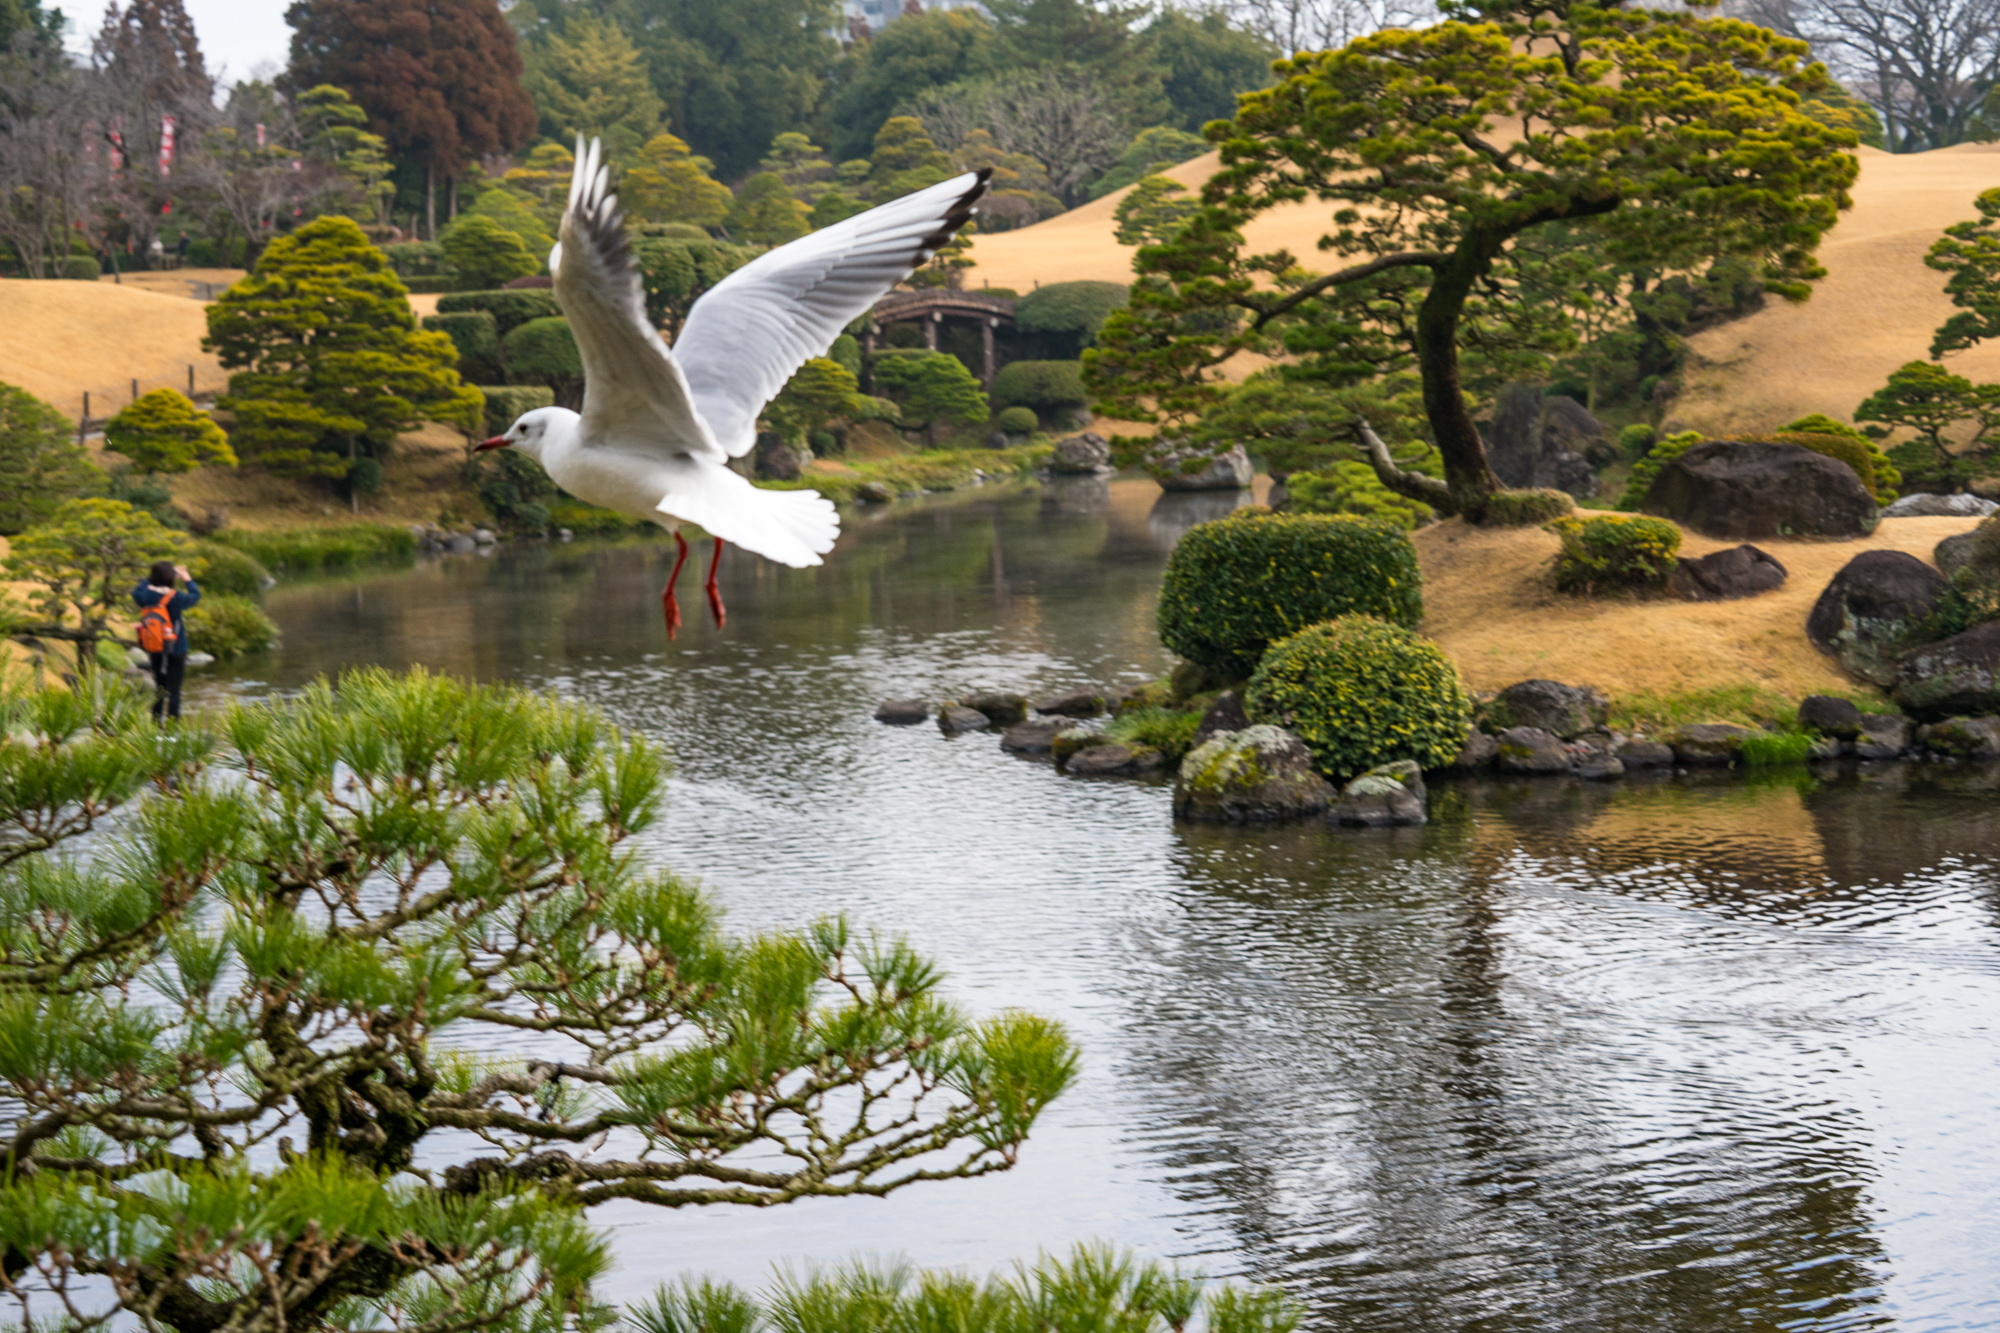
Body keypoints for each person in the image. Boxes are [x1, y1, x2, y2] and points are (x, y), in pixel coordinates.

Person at [133, 560, 200, 720]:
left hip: (155, 646)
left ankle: (155, 726)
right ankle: (171, 730)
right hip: (176, 647)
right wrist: (187, 578)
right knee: (175, 690)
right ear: (172, 578)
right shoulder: (176, 597)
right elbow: (195, 596)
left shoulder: (145, 596)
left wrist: (152, 578)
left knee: (159, 687)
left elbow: (136, 591)